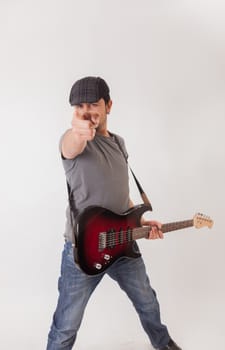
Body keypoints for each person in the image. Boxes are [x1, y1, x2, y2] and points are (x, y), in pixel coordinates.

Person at [46, 76, 182, 350]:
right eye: (79, 106)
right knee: (66, 325)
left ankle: (163, 343)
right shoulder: (73, 141)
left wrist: (141, 220)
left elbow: (121, 195)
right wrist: (78, 131)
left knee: (147, 301)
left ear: (109, 105)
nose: (86, 111)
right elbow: (72, 143)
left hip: (123, 243)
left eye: (93, 104)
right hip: (81, 251)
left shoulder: (119, 144)